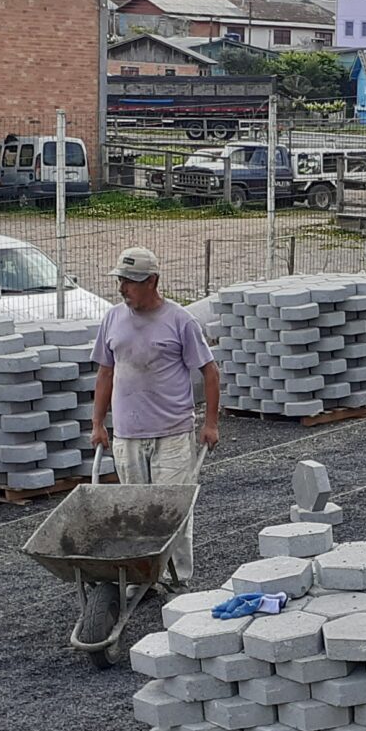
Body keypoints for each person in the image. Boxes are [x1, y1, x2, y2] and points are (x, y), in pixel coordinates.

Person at [92, 246, 219, 588]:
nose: (123, 289)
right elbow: (105, 373)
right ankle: (144, 577)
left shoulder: (179, 321)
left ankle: (178, 581)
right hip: (128, 434)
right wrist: (97, 424)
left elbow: (209, 372)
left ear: (152, 281)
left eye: (130, 282)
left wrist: (210, 423)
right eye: (121, 281)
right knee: (136, 511)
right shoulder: (113, 319)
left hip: (172, 434)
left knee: (172, 511)